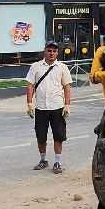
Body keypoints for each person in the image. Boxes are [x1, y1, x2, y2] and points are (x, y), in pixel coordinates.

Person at [26, 41, 72, 173]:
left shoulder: (62, 67)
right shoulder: (35, 67)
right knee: (41, 136)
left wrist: (67, 105)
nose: (52, 53)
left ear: (57, 53)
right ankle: (43, 160)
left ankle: (57, 162)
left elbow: (67, 87)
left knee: (59, 136)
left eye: (54, 51)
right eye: (49, 50)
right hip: (41, 108)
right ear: (44, 51)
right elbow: (30, 85)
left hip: (57, 107)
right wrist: (29, 103)